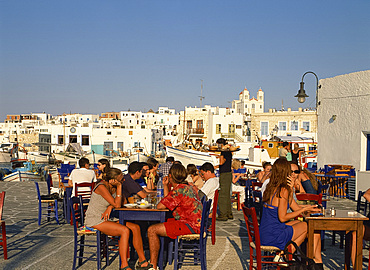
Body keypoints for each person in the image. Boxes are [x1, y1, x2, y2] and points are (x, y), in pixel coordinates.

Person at [259, 158, 323, 267]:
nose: (292, 174)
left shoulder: (271, 187)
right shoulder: (283, 190)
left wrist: (310, 208)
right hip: (273, 236)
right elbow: (283, 217)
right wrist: (303, 209)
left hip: (265, 232)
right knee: (305, 226)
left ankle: (283, 255)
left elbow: (295, 207)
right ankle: (285, 255)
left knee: (302, 225)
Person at [84, 168, 151, 270]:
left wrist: (111, 206)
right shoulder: (101, 187)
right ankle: (124, 265)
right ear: (113, 180)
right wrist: (119, 188)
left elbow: (121, 203)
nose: (123, 181)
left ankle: (142, 261)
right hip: (96, 218)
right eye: (121, 179)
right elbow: (117, 204)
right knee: (124, 230)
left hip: (109, 218)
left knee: (136, 227)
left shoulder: (114, 187)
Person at [147, 163, 203, 270]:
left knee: (152, 230)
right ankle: (164, 256)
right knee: (165, 221)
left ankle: (153, 266)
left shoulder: (178, 190)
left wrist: (165, 186)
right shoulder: (187, 187)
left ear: (171, 176)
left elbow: (160, 206)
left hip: (189, 225)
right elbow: (168, 202)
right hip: (195, 223)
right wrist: (165, 185)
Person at [215, 138, 233, 221]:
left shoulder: (223, 152)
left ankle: (223, 214)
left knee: (222, 195)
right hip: (229, 173)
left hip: (224, 174)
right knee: (227, 195)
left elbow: (222, 162)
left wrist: (219, 158)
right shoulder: (229, 152)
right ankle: (229, 213)